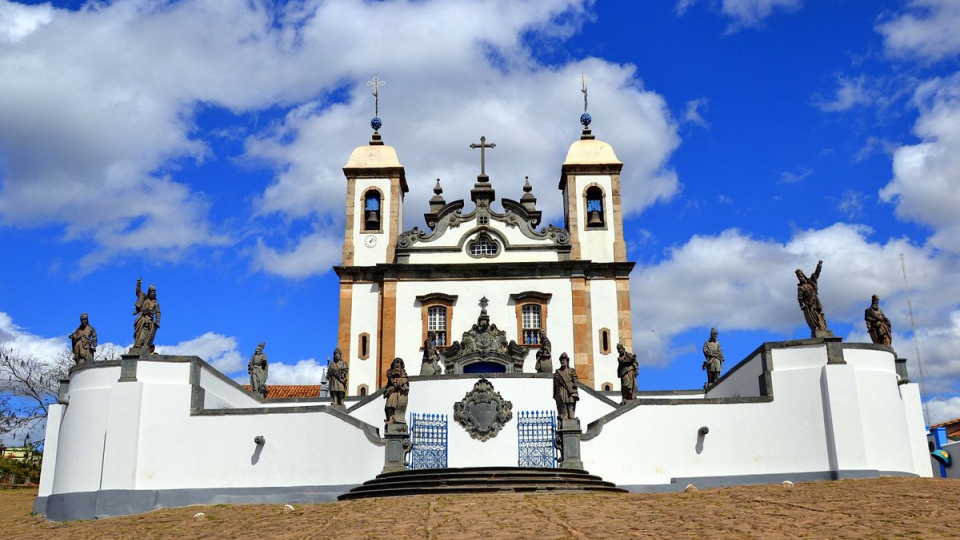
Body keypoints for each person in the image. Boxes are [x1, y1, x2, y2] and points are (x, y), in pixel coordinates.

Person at [796, 261, 831, 337]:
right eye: (798, 278)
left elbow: (816, 274)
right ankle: (818, 329)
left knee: (820, 316)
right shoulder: (800, 288)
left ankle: (823, 328)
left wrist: (819, 266)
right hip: (809, 304)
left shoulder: (811, 281)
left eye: (800, 277)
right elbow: (800, 297)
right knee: (814, 318)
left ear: (803, 276)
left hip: (816, 302)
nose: (800, 279)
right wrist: (802, 305)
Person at [132, 277, 161, 352]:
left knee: (145, 334)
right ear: (148, 292)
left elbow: (158, 312)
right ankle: (137, 345)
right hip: (141, 318)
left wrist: (157, 322)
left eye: (153, 292)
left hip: (149, 320)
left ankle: (142, 346)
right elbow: (138, 292)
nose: (152, 293)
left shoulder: (155, 303)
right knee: (138, 332)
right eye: (151, 292)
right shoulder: (144, 298)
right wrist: (138, 284)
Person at [553, 352, 579, 420]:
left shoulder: (571, 370)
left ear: (567, 361)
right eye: (561, 360)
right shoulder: (558, 372)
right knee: (562, 404)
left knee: (570, 404)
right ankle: (564, 416)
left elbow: (575, 378)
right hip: (561, 390)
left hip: (570, 390)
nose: (562, 361)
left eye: (564, 360)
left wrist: (575, 384)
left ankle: (571, 418)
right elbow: (555, 384)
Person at [384, 357, 409, 424]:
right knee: (389, 405)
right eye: (396, 363)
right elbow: (392, 380)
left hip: (400, 392)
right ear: (393, 364)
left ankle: (398, 419)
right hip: (392, 391)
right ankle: (390, 419)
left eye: (399, 364)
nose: (397, 365)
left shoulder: (404, 373)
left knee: (398, 405)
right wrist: (397, 383)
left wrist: (401, 383)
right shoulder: (390, 372)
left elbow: (405, 380)